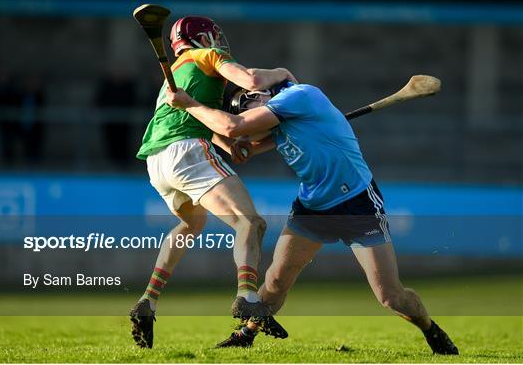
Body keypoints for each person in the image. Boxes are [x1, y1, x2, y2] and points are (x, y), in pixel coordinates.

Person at [165, 81, 459, 355]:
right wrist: (234, 145)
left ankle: (429, 328)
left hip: (357, 204)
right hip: (313, 207)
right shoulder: (279, 126)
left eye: (243, 108)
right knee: (277, 278)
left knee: (391, 297)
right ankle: (246, 335)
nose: (247, 121)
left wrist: (189, 104)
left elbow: (233, 126)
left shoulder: (299, 95)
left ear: (257, 96)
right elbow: (239, 139)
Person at [129, 16, 296, 349]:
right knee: (250, 222)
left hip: (157, 162)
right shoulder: (206, 57)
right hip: (186, 151)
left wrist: (229, 145)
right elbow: (250, 80)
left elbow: (192, 117)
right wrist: (282, 73)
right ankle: (247, 296)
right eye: (214, 35)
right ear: (201, 37)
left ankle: (147, 301)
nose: (219, 40)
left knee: (192, 223)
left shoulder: (175, 75)